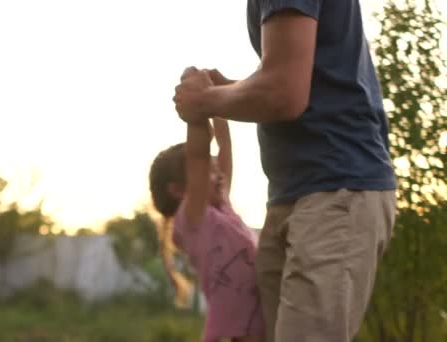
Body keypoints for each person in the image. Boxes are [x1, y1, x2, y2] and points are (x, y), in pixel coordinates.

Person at [172, 1, 398, 341]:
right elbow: (294, 80)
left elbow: (283, 92)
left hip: (334, 189)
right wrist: (222, 92)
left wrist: (205, 101)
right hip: (297, 193)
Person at [149, 110, 264, 342]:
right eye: (210, 172)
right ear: (179, 191)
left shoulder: (222, 207)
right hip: (239, 329)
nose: (219, 174)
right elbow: (199, 155)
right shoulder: (192, 220)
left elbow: (225, 148)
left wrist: (217, 104)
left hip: (262, 317)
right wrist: (197, 113)